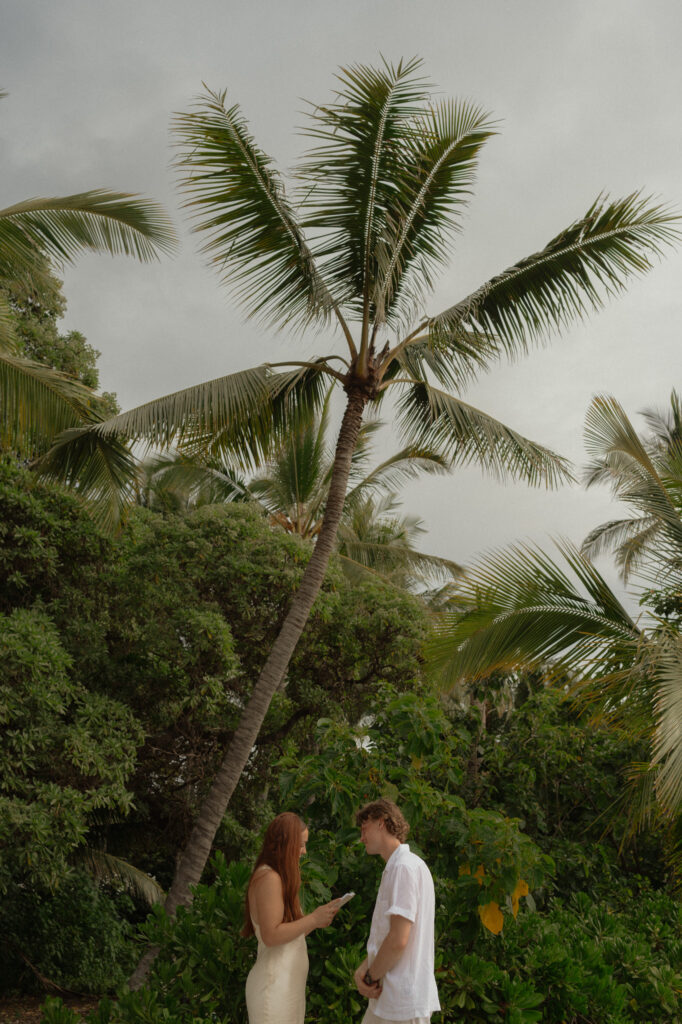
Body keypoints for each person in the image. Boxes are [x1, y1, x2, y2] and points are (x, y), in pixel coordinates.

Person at [243, 811, 340, 1024]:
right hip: (273, 988)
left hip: (286, 988)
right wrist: (313, 919)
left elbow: (291, 931)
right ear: (286, 844)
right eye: (301, 845)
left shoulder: (280, 877)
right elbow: (271, 935)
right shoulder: (269, 877)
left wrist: (320, 918)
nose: (304, 852)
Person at [353, 798, 440, 1024]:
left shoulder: (404, 867)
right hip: (392, 1001)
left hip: (402, 1003)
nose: (361, 838)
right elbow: (387, 937)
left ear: (381, 822)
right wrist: (364, 970)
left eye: (365, 829)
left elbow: (398, 940)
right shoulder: (399, 867)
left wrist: (371, 976)